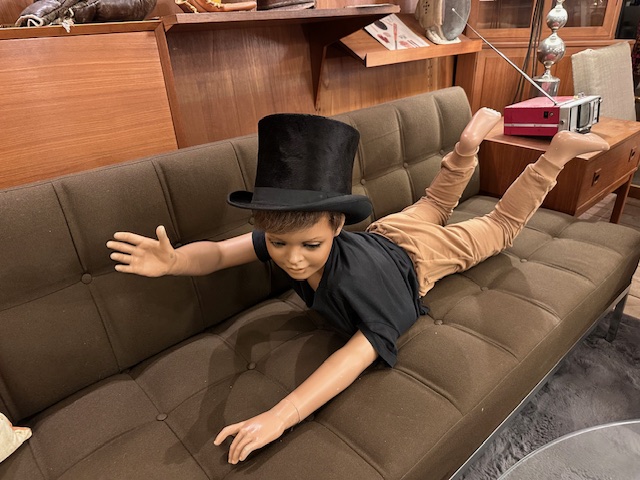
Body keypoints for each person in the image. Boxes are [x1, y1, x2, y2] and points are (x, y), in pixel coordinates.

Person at [107, 108, 609, 465]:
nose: (292, 259)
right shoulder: (291, 235)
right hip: (387, 231)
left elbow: (354, 356)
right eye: (278, 244)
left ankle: (555, 156)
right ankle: (466, 147)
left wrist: (281, 415)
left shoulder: (356, 285)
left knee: (499, 228)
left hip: (420, 256)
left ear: (335, 226)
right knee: (434, 203)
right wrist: (174, 262)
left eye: (309, 245)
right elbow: (220, 253)